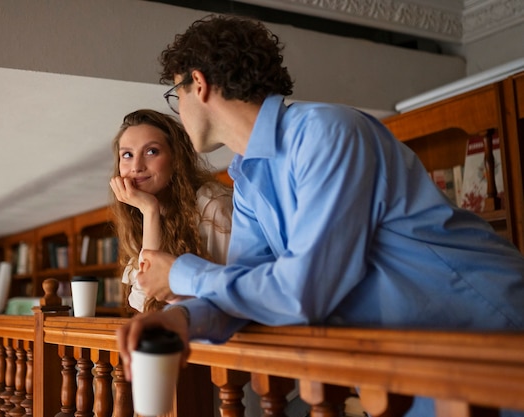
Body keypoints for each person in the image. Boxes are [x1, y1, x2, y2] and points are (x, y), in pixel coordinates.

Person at [116, 15, 524, 417]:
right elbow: (242, 292)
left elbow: (304, 291)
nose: (179, 109)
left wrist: (180, 275)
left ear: (198, 84)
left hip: (498, 346)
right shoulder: (248, 177)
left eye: (176, 94)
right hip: (418, 373)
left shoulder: (326, 132)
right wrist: (181, 318)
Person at [109, 109, 232, 313]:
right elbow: (144, 301)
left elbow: (229, 294)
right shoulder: (140, 214)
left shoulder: (211, 203)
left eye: (151, 152)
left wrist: (150, 209)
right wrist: (150, 211)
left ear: (176, 158)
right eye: (127, 155)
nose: (136, 166)